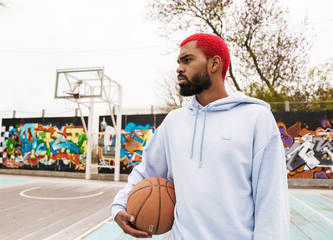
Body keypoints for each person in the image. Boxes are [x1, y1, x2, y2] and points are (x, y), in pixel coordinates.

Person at [110, 33, 290, 239]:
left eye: (187, 60)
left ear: (214, 64)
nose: (179, 68)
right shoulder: (173, 122)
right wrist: (119, 205)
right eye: (178, 62)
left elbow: (271, 200)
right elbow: (147, 171)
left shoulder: (256, 118)